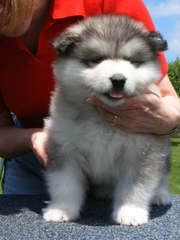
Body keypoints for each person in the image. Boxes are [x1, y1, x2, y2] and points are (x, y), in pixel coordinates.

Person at [0, 0, 179, 194]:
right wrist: (34, 138)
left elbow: (170, 101)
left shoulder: (109, 3)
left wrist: (167, 121)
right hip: (35, 162)